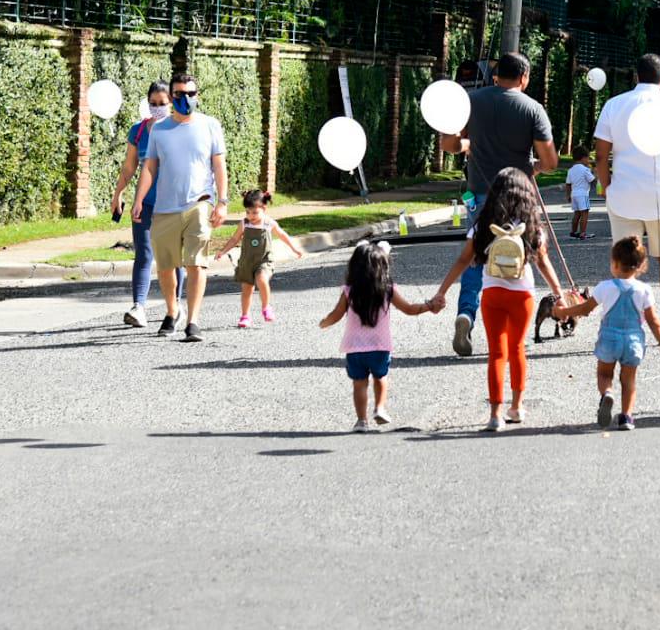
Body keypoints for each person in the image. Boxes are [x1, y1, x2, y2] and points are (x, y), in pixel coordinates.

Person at [438, 52, 558, 357]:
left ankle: (466, 315)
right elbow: (551, 161)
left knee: (476, 257)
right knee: (524, 254)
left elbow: (449, 145)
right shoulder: (533, 109)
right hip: (518, 196)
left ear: (495, 76)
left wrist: (467, 144)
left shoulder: (471, 101)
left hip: (479, 195)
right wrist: (532, 169)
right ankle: (509, 325)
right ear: (524, 78)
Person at [430, 168, 568, 432]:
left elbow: (463, 260)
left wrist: (442, 292)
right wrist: (559, 295)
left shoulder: (482, 225)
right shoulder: (531, 227)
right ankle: (516, 407)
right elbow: (544, 263)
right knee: (517, 348)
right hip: (523, 295)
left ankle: (495, 414)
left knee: (496, 352)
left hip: (493, 293)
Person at [594, 53, 660, 344]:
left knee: (623, 262)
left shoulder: (613, 105)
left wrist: (607, 187)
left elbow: (601, 155)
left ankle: (619, 324)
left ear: (635, 77)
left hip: (623, 195)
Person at [131, 73, 228, 342]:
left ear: (197, 95)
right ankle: (173, 312)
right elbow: (149, 167)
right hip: (164, 207)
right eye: (179, 94)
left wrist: (222, 201)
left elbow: (219, 165)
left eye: (190, 94)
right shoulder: (159, 130)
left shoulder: (210, 125)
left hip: (200, 203)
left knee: (196, 264)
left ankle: (194, 321)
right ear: (172, 96)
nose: (185, 99)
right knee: (165, 266)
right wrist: (139, 199)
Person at [319, 240, 439, 432]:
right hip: (380, 346)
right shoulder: (387, 290)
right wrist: (428, 306)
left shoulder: (349, 291)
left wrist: (324, 322)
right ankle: (380, 408)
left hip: (354, 347)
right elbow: (409, 309)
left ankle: (361, 421)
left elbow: (336, 314)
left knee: (359, 384)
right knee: (380, 377)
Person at [553, 236, 660, 431]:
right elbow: (653, 321)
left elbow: (584, 309)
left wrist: (564, 312)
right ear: (640, 265)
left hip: (609, 338)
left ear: (615, 264)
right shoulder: (644, 290)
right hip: (633, 341)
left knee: (604, 373)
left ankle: (607, 393)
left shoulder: (605, 287)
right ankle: (626, 416)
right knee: (628, 380)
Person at [110, 81, 184, 328]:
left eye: (162, 104)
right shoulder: (138, 131)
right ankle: (138, 307)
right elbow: (130, 166)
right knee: (143, 255)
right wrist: (118, 193)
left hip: (173, 204)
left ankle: (174, 306)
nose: (157, 109)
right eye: (153, 104)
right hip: (145, 203)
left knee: (173, 258)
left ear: (172, 104)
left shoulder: (179, 129)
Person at [214, 190, 304, 327]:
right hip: (247, 262)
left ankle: (266, 307)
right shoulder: (245, 224)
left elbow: (282, 235)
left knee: (262, 279)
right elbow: (234, 239)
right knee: (246, 290)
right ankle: (245, 316)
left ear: (264, 209)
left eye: (255, 213)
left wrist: (294, 248)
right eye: (248, 212)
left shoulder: (269, 223)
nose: (251, 216)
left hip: (264, 260)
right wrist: (223, 251)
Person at [564, 145, 596, 240]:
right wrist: (594, 172)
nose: (588, 161)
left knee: (576, 214)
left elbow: (568, 184)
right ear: (583, 158)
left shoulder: (570, 170)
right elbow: (592, 180)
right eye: (588, 158)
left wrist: (568, 195)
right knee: (584, 214)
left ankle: (573, 232)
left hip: (574, 194)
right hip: (583, 194)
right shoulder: (585, 170)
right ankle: (583, 233)